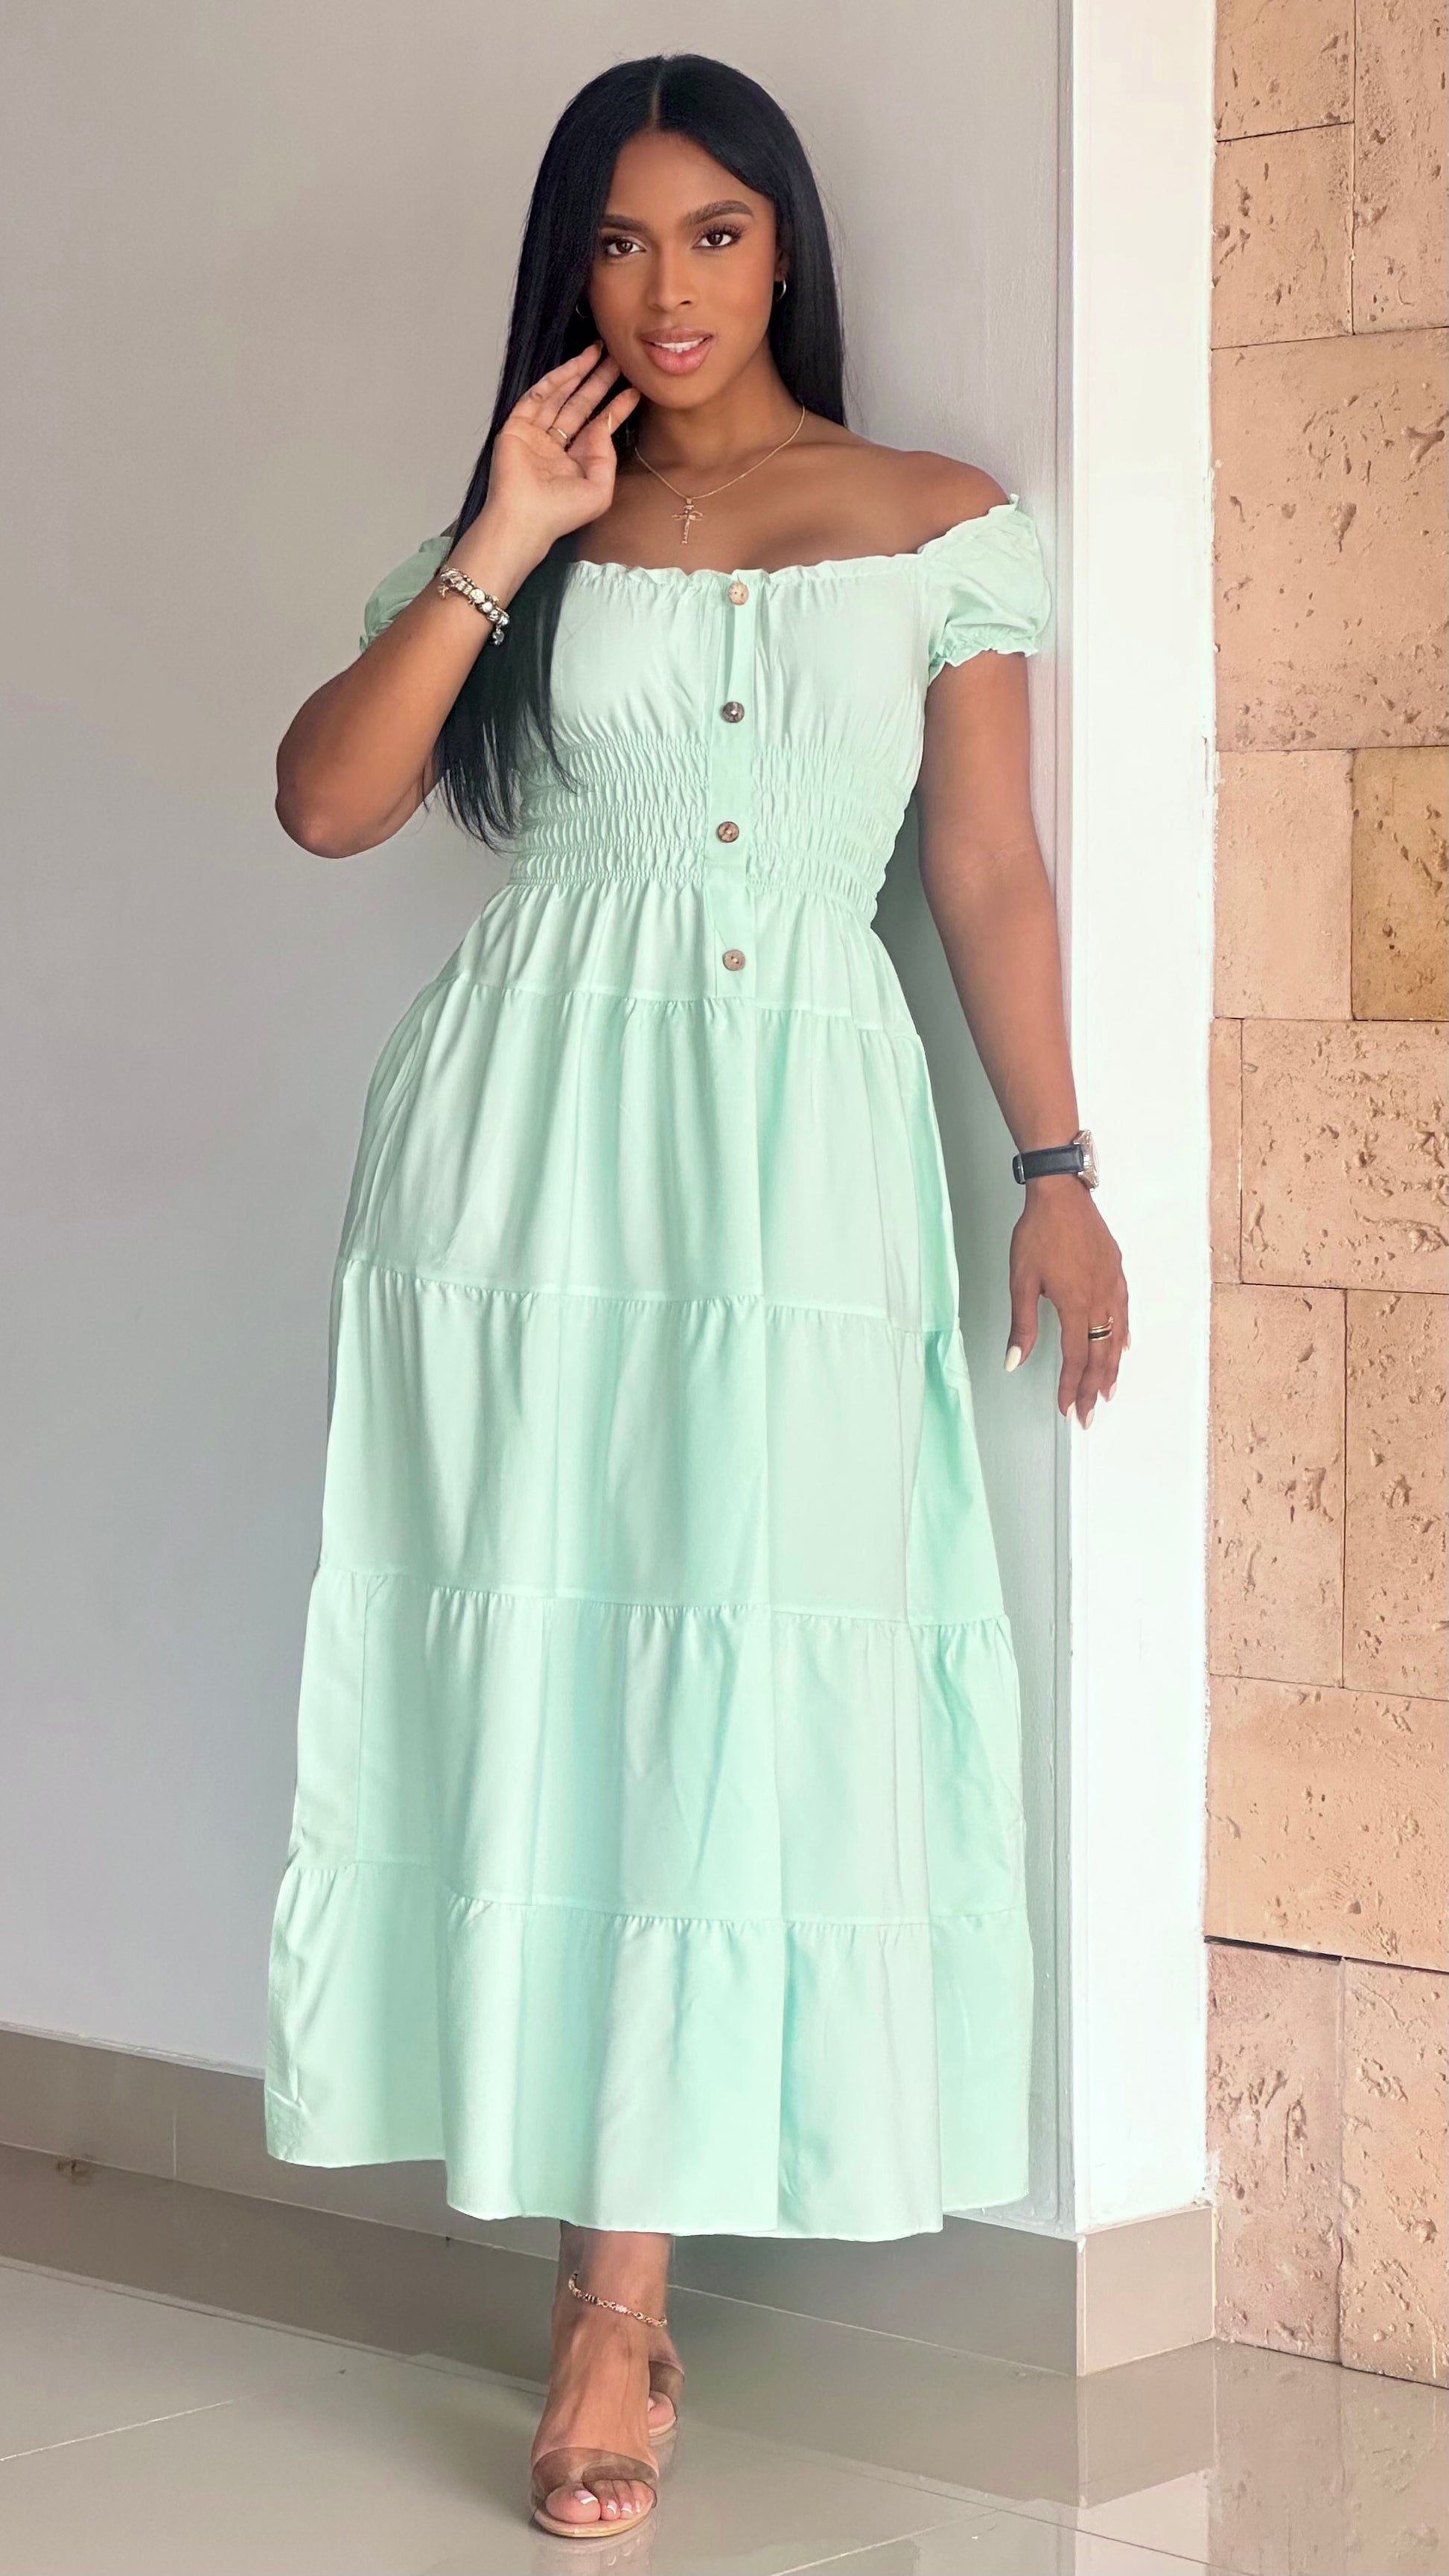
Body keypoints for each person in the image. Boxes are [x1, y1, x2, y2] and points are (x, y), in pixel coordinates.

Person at [263, 51, 1128, 2542]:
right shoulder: (531, 522)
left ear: (783, 248)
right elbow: (327, 800)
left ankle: (635, 2262)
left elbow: (984, 868)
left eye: (715, 234)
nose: (668, 289)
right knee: (550, 1648)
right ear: (572, 267)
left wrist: (1055, 1166)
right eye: (621, 241)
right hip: (522, 1151)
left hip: (799, 1156)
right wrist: (501, 537)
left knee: (733, 1642)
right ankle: (602, 2303)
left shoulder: (937, 523)